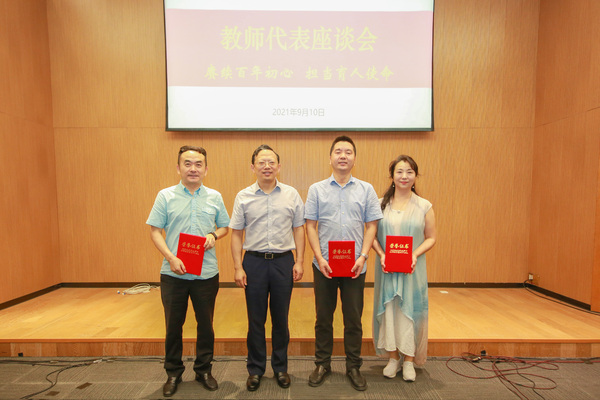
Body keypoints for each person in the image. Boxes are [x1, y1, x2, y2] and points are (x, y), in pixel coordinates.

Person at [147, 146, 230, 397]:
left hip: (206, 273)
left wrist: (214, 235)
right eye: (187, 163)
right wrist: (171, 258)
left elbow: (225, 227)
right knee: (173, 326)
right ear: (178, 168)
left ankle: (204, 370)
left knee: (206, 325)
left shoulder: (214, 196)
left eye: (198, 164)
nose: (193, 169)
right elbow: (155, 231)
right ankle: (173, 372)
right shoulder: (165, 196)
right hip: (174, 274)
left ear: (206, 169)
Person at [304, 136, 383, 391]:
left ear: (354, 159)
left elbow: (372, 225)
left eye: (348, 152)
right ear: (330, 158)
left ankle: (353, 366)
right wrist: (319, 257)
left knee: (353, 319)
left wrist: (363, 256)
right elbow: (310, 226)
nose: (343, 156)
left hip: (355, 267)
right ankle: (322, 364)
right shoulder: (316, 189)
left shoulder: (367, 189)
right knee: (323, 318)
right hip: (324, 266)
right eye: (338, 151)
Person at [229, 144, 305, 392]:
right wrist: (238, 267)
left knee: (281, 318)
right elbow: (236, 233)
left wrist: (300, 261)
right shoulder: (243, 196)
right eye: (261, 162)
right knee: (256, 319)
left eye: (271, 162)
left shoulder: (291, 194)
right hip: (254, 262)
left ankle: (281, 368)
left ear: (279, 166)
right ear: (253, 167)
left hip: (283, 261)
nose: (267, 166)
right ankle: (255, 370)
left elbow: (299, 229)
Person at [371, 155, 436, 381]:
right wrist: (381, 255)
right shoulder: (379, 204)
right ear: (392, 176)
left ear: (415, 176)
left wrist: (414, 255)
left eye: (409, 172)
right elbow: (371, 236)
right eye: (399, 171)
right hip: (387, 269)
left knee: (411, 311)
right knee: (390, 310)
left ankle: (409, 360)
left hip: (412, 270)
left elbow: (431, 238)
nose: (404, 176)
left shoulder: (424, 206)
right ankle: (393, 358)